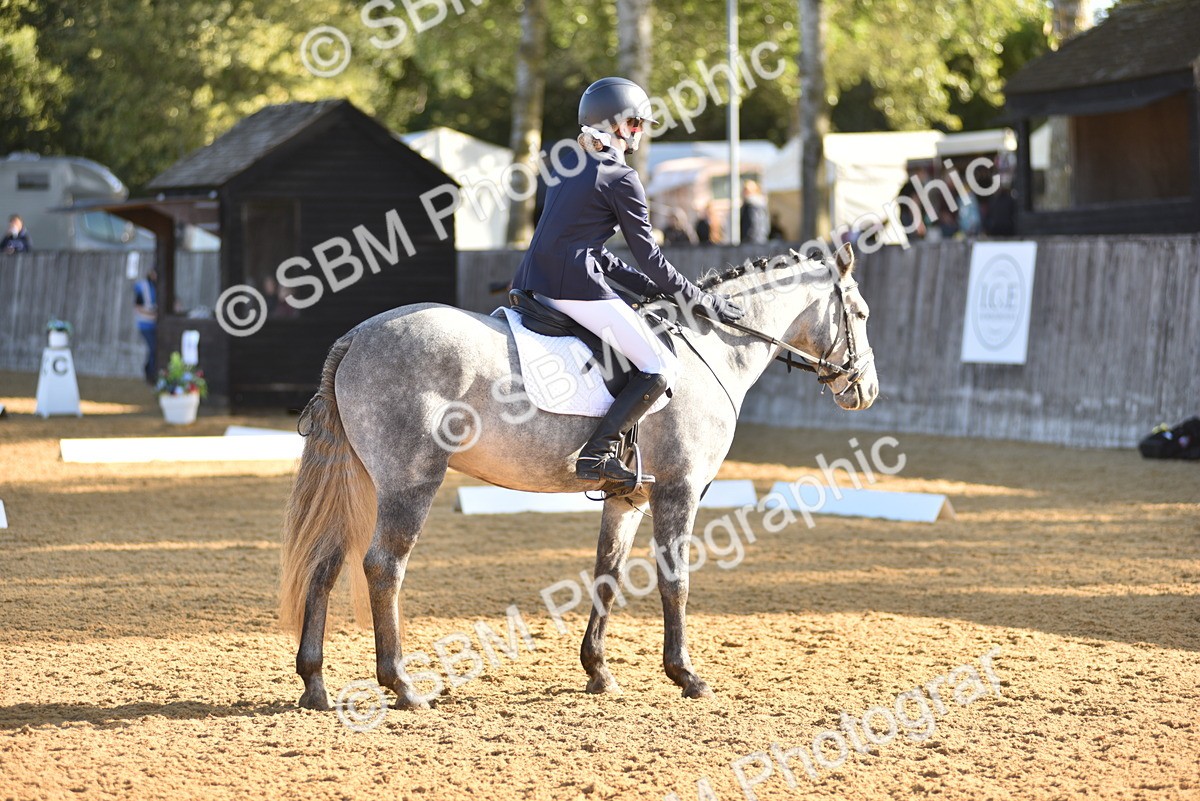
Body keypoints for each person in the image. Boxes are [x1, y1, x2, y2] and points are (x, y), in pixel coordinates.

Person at [511, 76, 744, 490]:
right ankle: (596, 454)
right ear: (614, 124)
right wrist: (700, 300)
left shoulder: (570, 164)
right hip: (573, 287)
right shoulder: (621, 176)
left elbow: (593, 248)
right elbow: (652, 258)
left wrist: (648, 289)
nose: (639, 133)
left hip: (534, 280)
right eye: (635, 124)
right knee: (660, 366)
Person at [134, 268, 158, 383]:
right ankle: (150, 374)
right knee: (153, 349)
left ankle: (150, 372)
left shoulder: (156, 286)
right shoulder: (143, 287)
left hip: (153, 324)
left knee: (154, 350)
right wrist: (152, 314)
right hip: (145, 324)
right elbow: (138, 307)